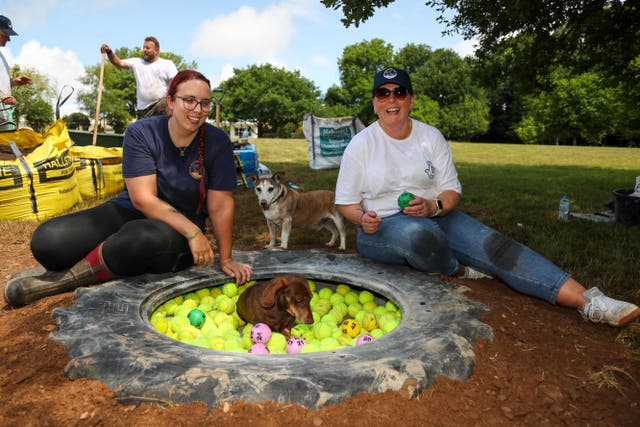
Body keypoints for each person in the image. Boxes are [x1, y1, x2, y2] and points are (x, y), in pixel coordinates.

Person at [335, 66, 640, 328]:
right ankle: (458, 269)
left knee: (500, 248)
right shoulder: (361, 145)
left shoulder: (431, 137)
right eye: (383, 94)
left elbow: (451, 192)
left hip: (438, 216)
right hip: (383, 230)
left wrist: (433, 205)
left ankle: (590, 301)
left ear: (411, 100)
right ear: (374, 103)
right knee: (419, 235)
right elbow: (346, 204)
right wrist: (363, 219)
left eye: (399, 92)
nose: (392, 100)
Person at [4, 70, 252, 307]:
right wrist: (194, 233)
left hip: (175, 231)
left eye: (204, 103)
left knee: (138, 238)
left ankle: (64, 280)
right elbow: (143, 199)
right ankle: (98, 258)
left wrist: (225, 257)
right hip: (132, 210)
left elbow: (220, 204)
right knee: (49, 241)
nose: (197, 110)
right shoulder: (142, 132)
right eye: (189, 100)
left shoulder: (217, 141)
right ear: (170, 101)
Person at [100, 36, 178, 119]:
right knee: (142, 130)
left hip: (160, 106)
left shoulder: (167, 64)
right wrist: (109, 52)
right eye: (144, 47)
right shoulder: (137, 63)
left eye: (148, 48)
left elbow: (176, 84)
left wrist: (170, 103)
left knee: (159, 123)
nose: (144, 50)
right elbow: (119, 62)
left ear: (156, 50)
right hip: (142, 109)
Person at [0, 15, 32, 130]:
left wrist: (15, 82)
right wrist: (1, 96)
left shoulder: (2, 56)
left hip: (3, 116)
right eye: (5, 34)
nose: (9, 39)